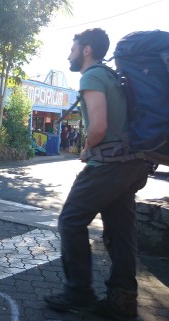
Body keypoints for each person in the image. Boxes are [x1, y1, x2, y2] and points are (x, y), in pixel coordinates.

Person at [44, 28, 148, 321]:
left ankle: (78, 292)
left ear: (86, 49)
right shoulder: (113, 76)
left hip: (109, 165)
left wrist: (87, 149)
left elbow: (99, 126)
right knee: (121, 232)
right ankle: (123, 299)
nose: (69, 54)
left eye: (72, 47)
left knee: (70, 220)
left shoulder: (91, 76)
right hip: (132, 164)